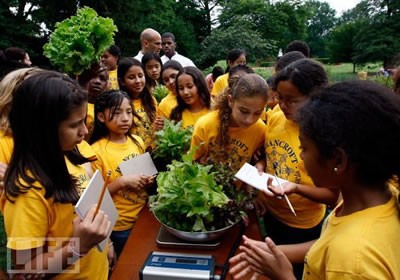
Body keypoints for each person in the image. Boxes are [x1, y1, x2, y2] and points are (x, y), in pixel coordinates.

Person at [229, 80, 400, 279]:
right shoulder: (371, 198)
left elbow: (341, 254)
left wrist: (284, 276)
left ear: (338, 160)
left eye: (304, 148)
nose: (300, 156)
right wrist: (275, 253)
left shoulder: (353, 263)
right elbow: (327, 243)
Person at [1, 70, 111, 279]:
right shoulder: (28, 190)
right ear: (43, 129)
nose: (84, 132)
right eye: (74, 125)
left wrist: (106, 242)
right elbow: (24, 271)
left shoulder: (69, 156)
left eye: (83, 121)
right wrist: (78, 248)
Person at [253, 58, 339, 279]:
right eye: (280, 97)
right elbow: (269, 151)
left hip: (303, 226)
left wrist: (296, 188)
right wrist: (261, 166)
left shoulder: (322, 135)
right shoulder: (275, 116)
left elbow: (333, 196)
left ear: (315, 98)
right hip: (272, 214)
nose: (282, 105)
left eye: (292, 100)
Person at [89, 90, 154, 257]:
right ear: (101, 117)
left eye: (129, 112)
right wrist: (122, 182)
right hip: (120, 226)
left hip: (144, 215)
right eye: (117, 113)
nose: (125, 118)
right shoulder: (96, 152)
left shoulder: (137, 141)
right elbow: (94, 198)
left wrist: (148, 180)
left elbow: (148, 178)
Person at [191, 73, 267, 173]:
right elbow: (191, 162)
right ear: (231, 101)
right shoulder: (205, 125)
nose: (249, 120)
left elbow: (264, 158)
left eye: (257, 113)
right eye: (244, 111)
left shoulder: (261, 130)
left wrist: (262, 162)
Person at [118, 57, 162, 151]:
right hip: (135, 154)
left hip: (156, 151)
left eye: (140, 76)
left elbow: (157, 124)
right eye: (131, 77)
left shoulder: (151, 100)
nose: (138, 81)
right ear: (122, 81)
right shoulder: (120, 105)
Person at [78, 62, 109, 139]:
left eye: (102, 78)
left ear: (107, 84)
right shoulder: (76, 106)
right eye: (92, 76)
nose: (97, 81)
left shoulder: (108, 107)